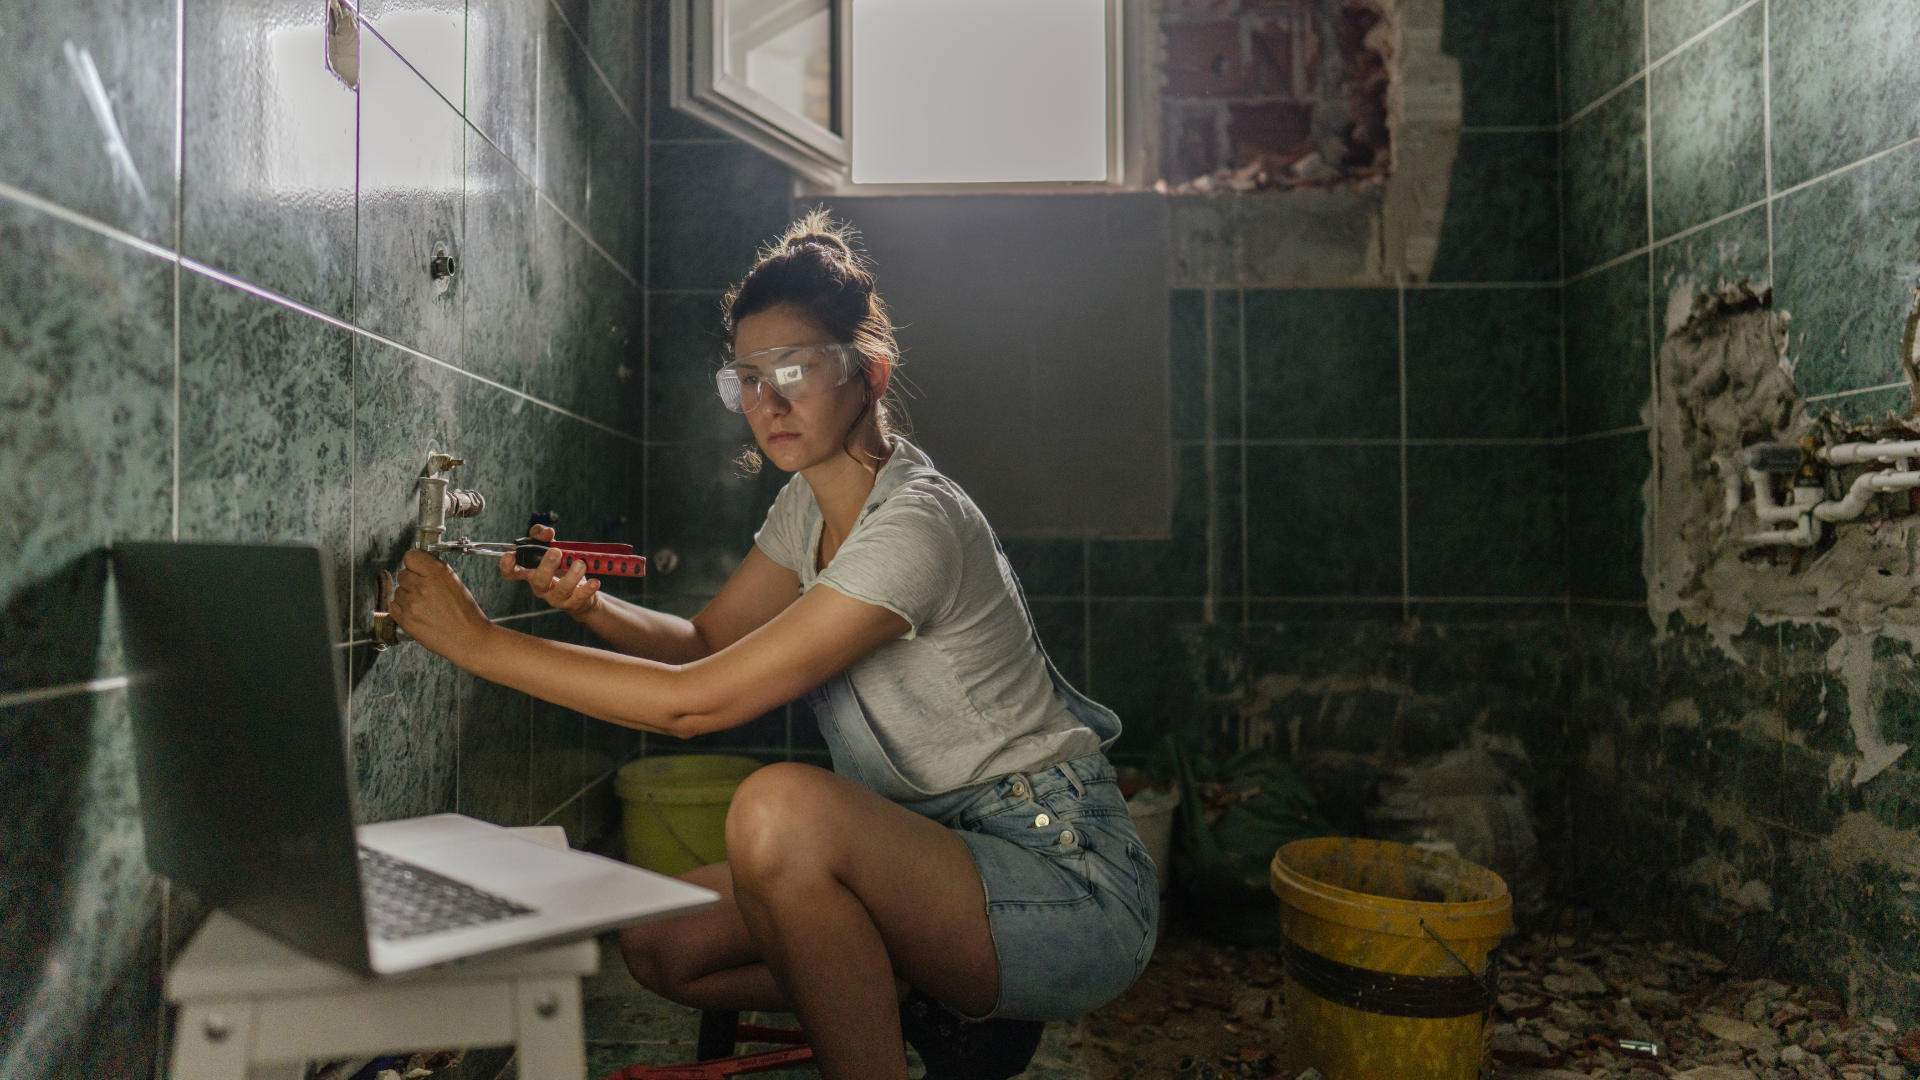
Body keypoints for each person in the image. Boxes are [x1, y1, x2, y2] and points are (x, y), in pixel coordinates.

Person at [387, 211, 1158, 1080]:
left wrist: (477, 643)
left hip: (1060, 881)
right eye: (748, 378)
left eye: (796, 370)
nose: (768, 401)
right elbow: (701, 645)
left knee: (778, 807)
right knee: (662, 944)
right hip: (929, 858)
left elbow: (695, 703)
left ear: (871, 373)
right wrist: (592, 606)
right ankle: (930, 1002)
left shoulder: (915, 524)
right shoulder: (809, 506)